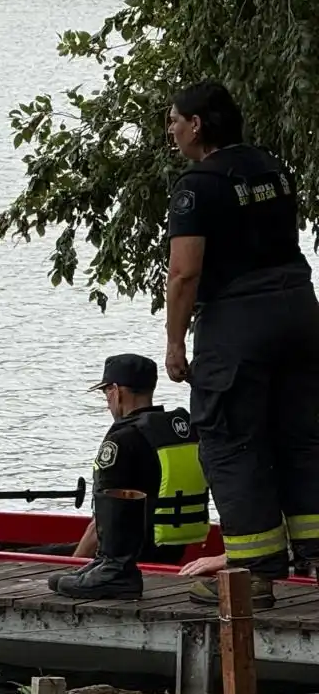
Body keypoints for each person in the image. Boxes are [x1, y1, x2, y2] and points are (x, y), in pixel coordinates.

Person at [165, 80, 319, 608]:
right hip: (300, 310)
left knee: (232, 441)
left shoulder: (196, 186)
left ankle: (253, 573)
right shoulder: (273, 169)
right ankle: (315, 553)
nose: (171, 131)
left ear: (197, 125)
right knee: (301, 437)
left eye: (174, 121)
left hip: (238, 321)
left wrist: (175, 343)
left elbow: (185, 272)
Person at [46, 353, 210, 599]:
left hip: (129, 559)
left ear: (116, 391)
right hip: (173, 550)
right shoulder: (178, 431)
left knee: (42, 556)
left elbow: (102, 524)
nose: (107, 403)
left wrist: (74, 568)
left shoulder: (122, 440)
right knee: (53, 550)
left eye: (106, 393)